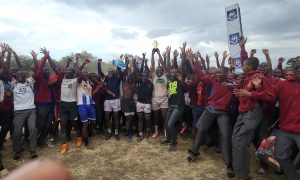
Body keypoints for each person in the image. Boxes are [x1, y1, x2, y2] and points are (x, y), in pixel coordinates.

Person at [232, 36, 275, 180]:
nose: (242, 66)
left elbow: (270, 97)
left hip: (253, 112)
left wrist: (249, 93)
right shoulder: (248, 75)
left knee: (241, 141)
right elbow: (246, 59)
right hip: (243, 112)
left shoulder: (259, 77)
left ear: (249, 66)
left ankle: (242, 175)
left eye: (244, 64)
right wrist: (242, 48)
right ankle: (242, 173)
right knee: (236, 140)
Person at [187, 60, 235, 178]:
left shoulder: (233, 84)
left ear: (226, 73)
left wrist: (231, 85)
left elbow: (242, 85)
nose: (217, 74)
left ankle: (229, 164)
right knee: (200, 129)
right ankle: (194, 152)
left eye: (220, 72)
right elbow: (201, 75)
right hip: (209, 110)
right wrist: (193, 61)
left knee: (225, 136)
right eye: (216, 72)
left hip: (223, 113)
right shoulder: (213, 80)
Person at [273, 61, 300, 180]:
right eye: (297, 69)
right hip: (285, 129)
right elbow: (269, 94)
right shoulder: (283, 85)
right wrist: (256, 89)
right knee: (281, 156)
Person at [160, 68, 184, 151]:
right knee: (166, 124)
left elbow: (183, 69)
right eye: (172, 72)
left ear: (178, 74)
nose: (173, 73)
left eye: (175, 72)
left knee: (170, 124)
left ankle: (174, 142)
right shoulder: (170, 81)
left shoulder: (180, 81)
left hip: (178, 106)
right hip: (171, 106)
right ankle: (168, 139)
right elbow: (166, 67)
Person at [75, 56, 95, 149]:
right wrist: (82, 62)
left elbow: (90, 94)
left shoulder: (89, 82)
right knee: (85, 124)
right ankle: (86, 142)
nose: (85, 73)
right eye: (83, 72)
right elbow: (79, 72)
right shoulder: (79, 81)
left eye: (86, 72)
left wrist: (98, 88)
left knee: (93, 122)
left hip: (91, 104)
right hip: (82, 105)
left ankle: (88, 137)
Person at [99, 63, 122, 141]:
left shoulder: (117, 79)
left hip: (116, 100)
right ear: (107, 73)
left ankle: (116, 132)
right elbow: (100, 72)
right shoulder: (105, 78)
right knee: (107, 117)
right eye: (109, 72)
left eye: (112, 72)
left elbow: (121, 74)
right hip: (107, 100)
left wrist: (118, 67)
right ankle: (109, 131)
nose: (110, 73)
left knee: (116, 117)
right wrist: (99, 64)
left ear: (114, 73)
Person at [150, 48, 169, 138]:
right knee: (156, 116)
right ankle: (156, 131)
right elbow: (153, 64)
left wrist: (159, 53)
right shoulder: (154, 76)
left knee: (165, 116)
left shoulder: (165, 76)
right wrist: (152, 54)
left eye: (161, 70)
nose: (159, 71)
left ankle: (165, 130)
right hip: (155, 99)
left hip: (164, 99)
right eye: (158, 70)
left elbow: (164, 65)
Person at [121, 57, 138, 142]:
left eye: (132, 76)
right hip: (125, 102)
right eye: (129, 76)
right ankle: (127, 134)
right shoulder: (124, 83)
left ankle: (129, 132)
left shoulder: (133, 84)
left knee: (131, 119)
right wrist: (126, 63)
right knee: (128, 119)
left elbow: (135, 73)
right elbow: (124, 73)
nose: (130, 77)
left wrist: (134, 63)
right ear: (127, 77)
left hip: (131, 102)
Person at [136, 71, 153, 141]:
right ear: (141, 76)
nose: (144, 77)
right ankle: (140, 133)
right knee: (140, 118)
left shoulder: (150, 84)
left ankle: (148, 131)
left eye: (145, 76)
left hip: (147, 103)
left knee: (147, 119)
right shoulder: (138, 82)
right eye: (143, 76)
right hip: (139, 102)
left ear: (147, 76)